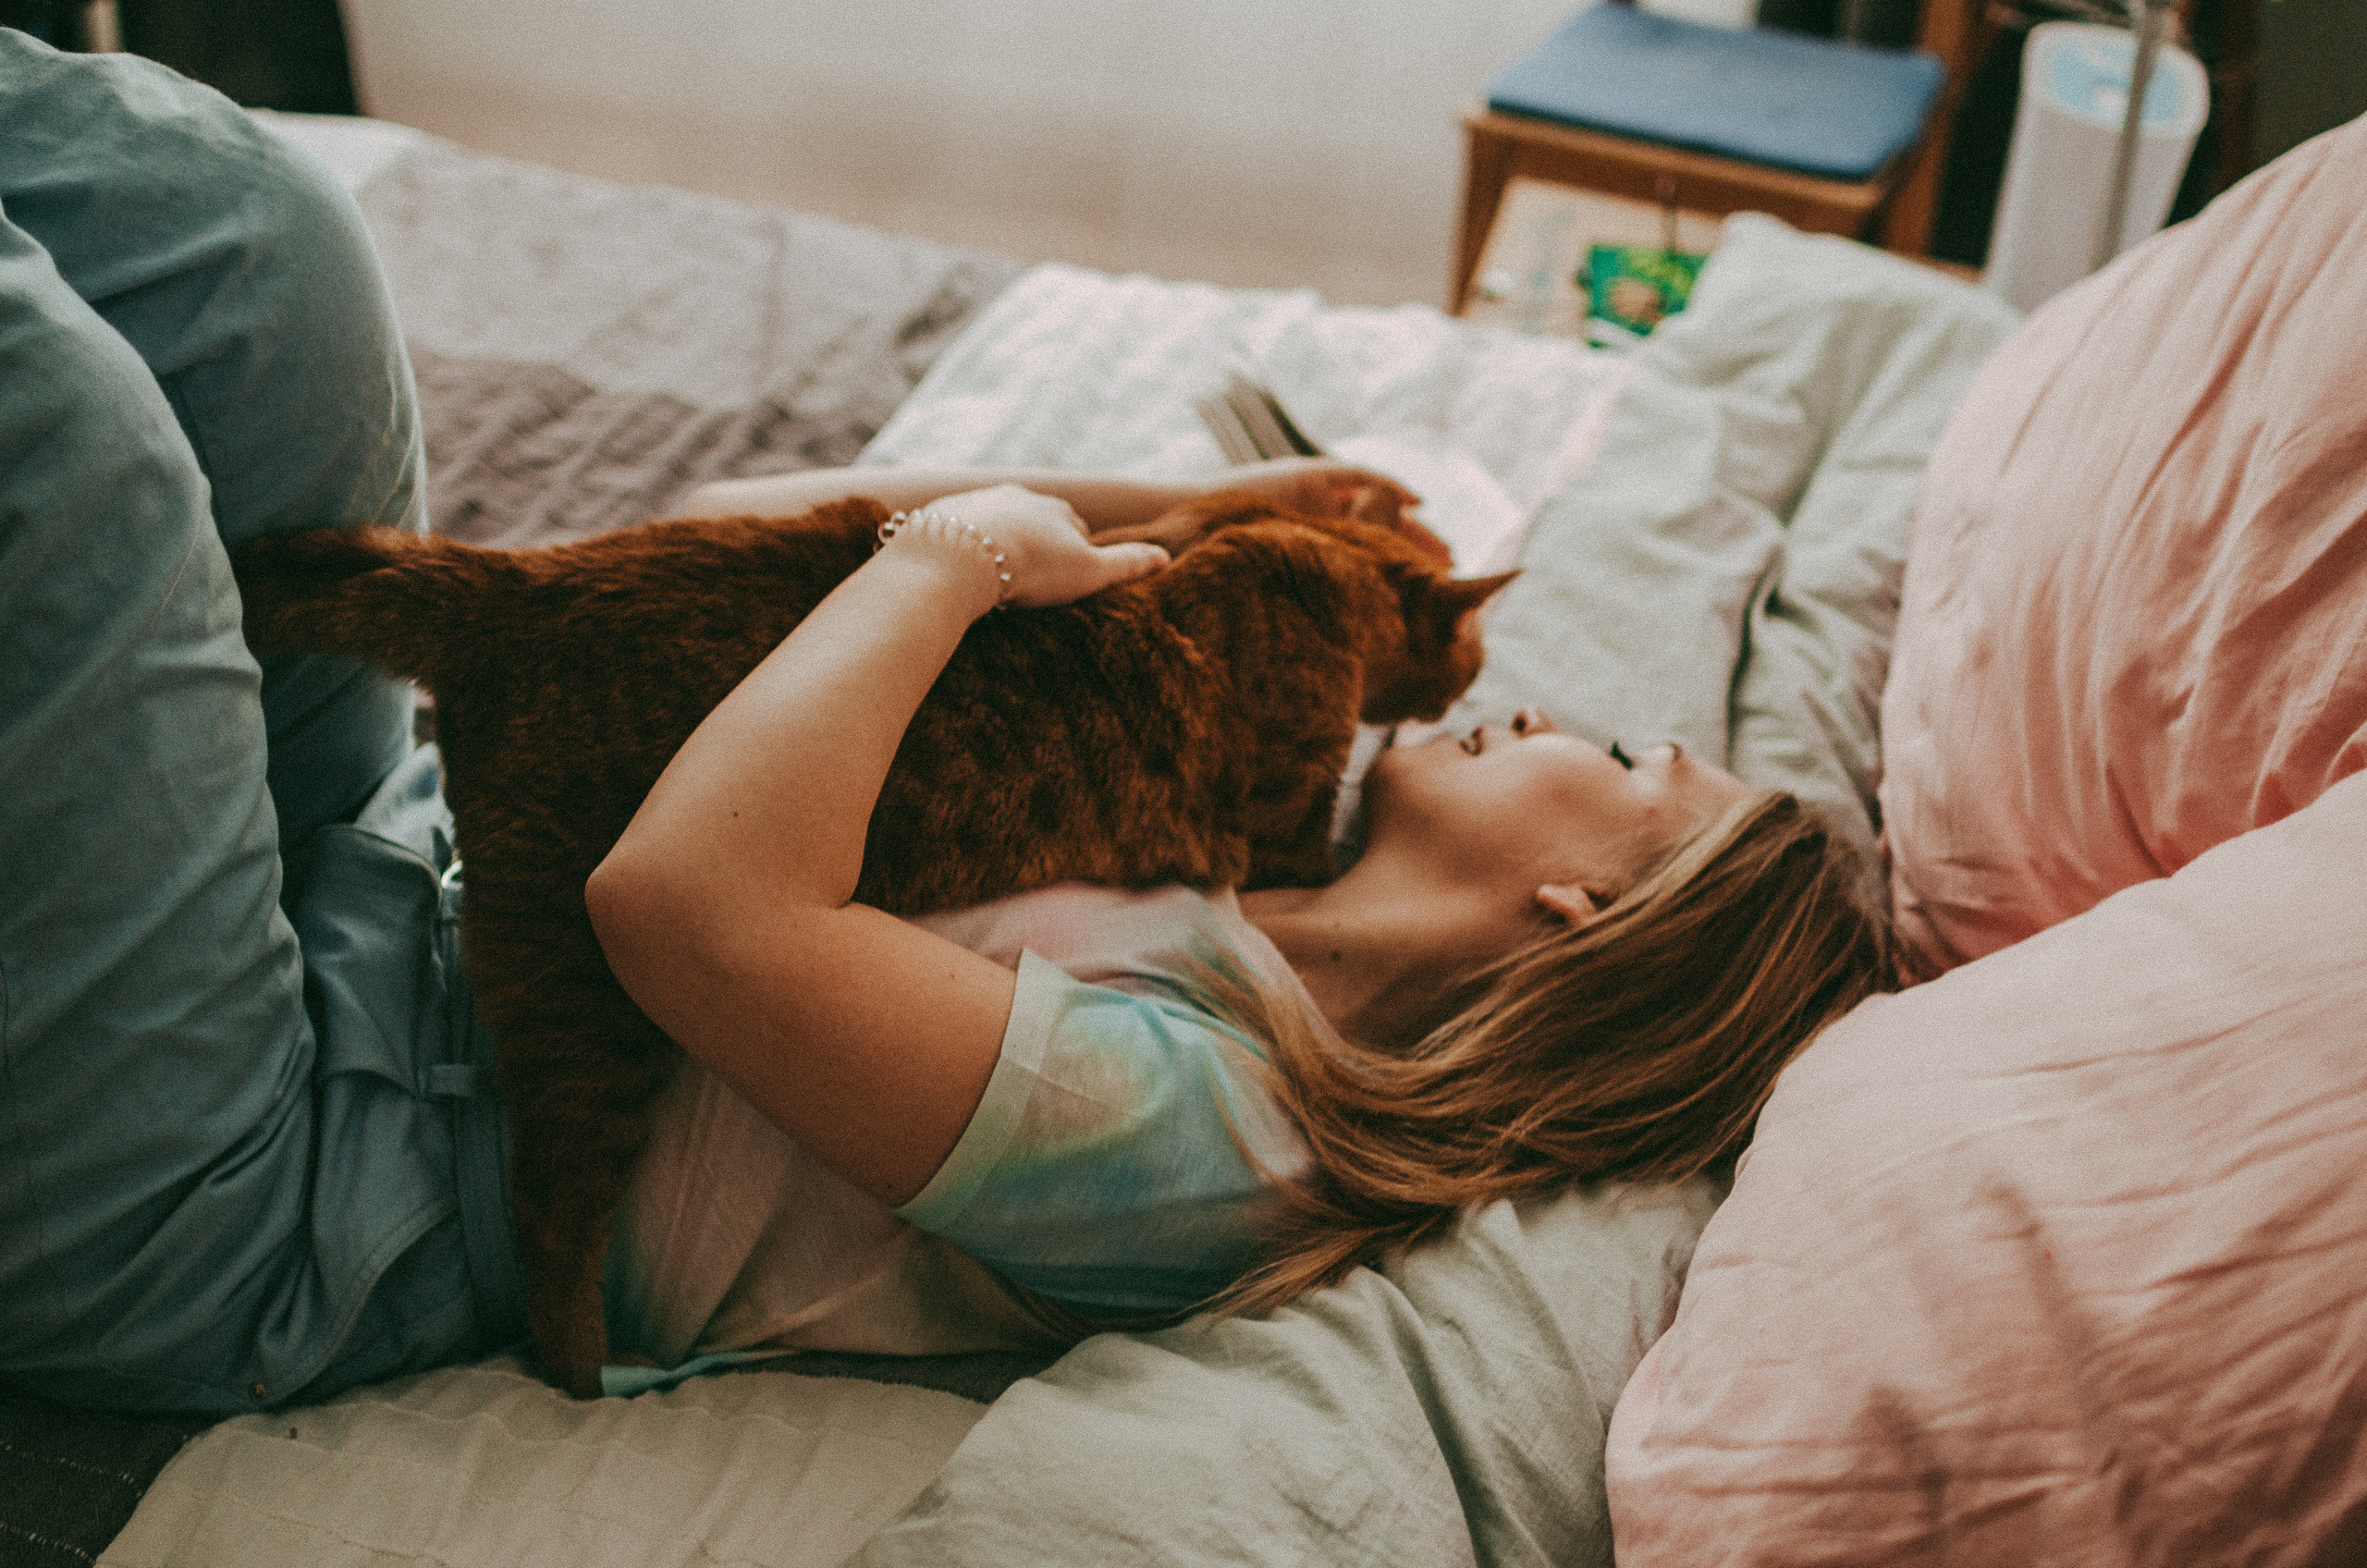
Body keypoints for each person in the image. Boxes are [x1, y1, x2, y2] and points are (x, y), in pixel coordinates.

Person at [0, 35, 1883, 1413]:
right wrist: (1177, 520)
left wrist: (961, 563)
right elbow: (741, 553)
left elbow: (688, 908)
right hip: (388, 859)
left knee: (60, 425)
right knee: (250, 233)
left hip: (282, 1174)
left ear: (1594, 910)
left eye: (1630, 764)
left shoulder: (1216, 1137)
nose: (1559, 706)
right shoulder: (1227, 828)